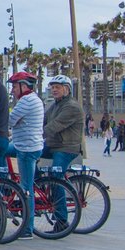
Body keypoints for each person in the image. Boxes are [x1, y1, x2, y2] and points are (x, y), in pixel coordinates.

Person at [6, 71, 44, 239]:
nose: (12, 90)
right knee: (0, 150)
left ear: (24, 86)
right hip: (24, 144)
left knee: (26, 188)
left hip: (26, 148)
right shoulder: (32, 99)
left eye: (14, 86)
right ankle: (4, 182)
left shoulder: (27, 101)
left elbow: (10, 120)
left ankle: (27, 228)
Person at [42, 74, 83, 231]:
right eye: (52, 87)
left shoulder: (71, 106)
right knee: (30, 155)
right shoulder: (56, 104)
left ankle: (61, 220)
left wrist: (37, 135)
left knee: (55, 177)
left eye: (57, 87)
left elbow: (54, 126)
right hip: (53, 145)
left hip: (66, 148)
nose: (54, 90)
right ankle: (39, 184)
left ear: (67, 89)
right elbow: (43, 120)